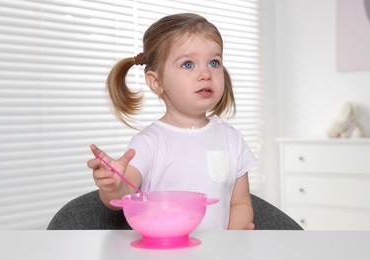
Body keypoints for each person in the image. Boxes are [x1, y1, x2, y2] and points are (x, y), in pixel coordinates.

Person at [87, 13, 257, 230]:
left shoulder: (232, 139)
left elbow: (240, 202)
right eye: (188, 64)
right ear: (156, 82)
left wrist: (233, 241)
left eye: (214, 62)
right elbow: (125, 193)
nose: (205, 73)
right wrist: (113, 184)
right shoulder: (149, 143)